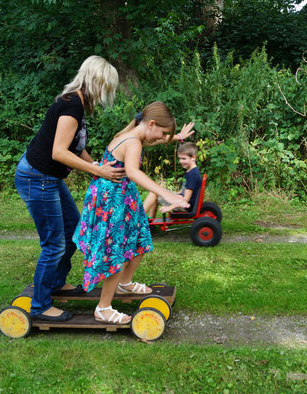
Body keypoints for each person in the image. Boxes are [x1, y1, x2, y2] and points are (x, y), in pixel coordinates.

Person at [14, 55, 126, 322]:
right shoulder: (72, 105)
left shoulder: (77, 104)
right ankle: (40, 306)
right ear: (97, 82)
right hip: (37, 178)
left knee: (73, 231)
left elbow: (76, 146)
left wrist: (94, 164)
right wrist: (97, 171)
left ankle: (54, 284)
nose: (107, 94)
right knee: (54, 244)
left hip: (47, 179)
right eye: (107, 88)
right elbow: (59, 152)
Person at [72, 101, 194, 325]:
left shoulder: (131, 134)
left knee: (139, 236)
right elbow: (133, 172)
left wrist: (178, 138)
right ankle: (103, 308)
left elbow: (152, 143)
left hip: (119, 197)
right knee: (115, 250)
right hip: (112, 202)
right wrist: (165, 193)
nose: (162, 138)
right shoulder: (133, 142)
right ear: (151, 124)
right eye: (163, 133)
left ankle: (124, 282)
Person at [143, 142, 201, 219]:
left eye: (184, 159)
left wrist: (169, 208)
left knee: (154, 193)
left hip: (185, 206)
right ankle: (150, 219)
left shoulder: (192, 175)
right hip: (181, 199)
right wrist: (172, 193)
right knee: (157, 190)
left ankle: (139, 219)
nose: (181, 161)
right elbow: (184, 190)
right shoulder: (191, 171)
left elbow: (186, 200)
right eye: (180, 158)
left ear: (193, 157)